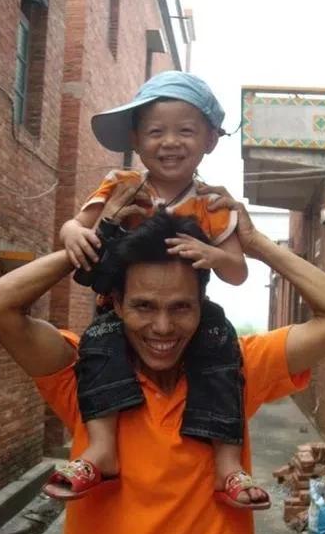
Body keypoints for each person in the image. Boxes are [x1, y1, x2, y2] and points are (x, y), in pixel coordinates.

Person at [0, 194, 325, 534]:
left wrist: (256, 244)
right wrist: (93, 245)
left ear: (203, 308)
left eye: (181, 307)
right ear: (117, 304)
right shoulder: (84, 374)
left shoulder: (235, 370)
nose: (162, 327)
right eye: (143, 306)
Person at [45, 71, 269, 509]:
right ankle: (101, 449)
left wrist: (211, 253)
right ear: (135, 137)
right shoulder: (121, 185)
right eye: (155, 131)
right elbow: (76, 226)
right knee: (97, 349)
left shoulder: (212, 204)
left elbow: (237, 272)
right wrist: (72, 233)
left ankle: (227, 464)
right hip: (121, 309)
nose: (170, 142)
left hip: (190, 313)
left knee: (223, 360)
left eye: (185, 131)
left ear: (210, 139)